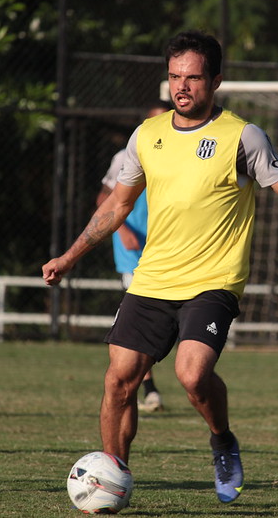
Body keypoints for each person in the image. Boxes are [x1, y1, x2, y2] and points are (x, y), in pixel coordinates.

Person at [43, 30, 278, 506]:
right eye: (175, 76)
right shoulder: (147, 135)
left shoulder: (242, 137)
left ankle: (222, 439)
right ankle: (113, 480)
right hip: (153, 279)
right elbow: (116, 206)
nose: (182, 86)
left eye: (194, 77)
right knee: (119, 378)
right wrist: (69, 257)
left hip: (213, 282)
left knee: (192, 374)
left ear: (215, 80)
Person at [96, 100, 173, 414]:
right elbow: (105, 197)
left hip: (170, 248)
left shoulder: (186, 152)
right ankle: (148, 387)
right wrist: (122, 229)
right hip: (135, 251)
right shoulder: (128, 154)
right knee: (140, 320)